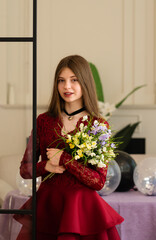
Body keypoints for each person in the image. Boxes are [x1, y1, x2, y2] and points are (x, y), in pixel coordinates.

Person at [14, 55, 124, 240]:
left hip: (81, 212)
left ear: (85, 83)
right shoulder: (44, 121)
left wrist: (64, 159)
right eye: (61, 81)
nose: (67, 86)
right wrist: (46, 166)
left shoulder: (97, 125)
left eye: (74, 80)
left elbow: (98, 182)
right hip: (48, 208)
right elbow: (25, 170)